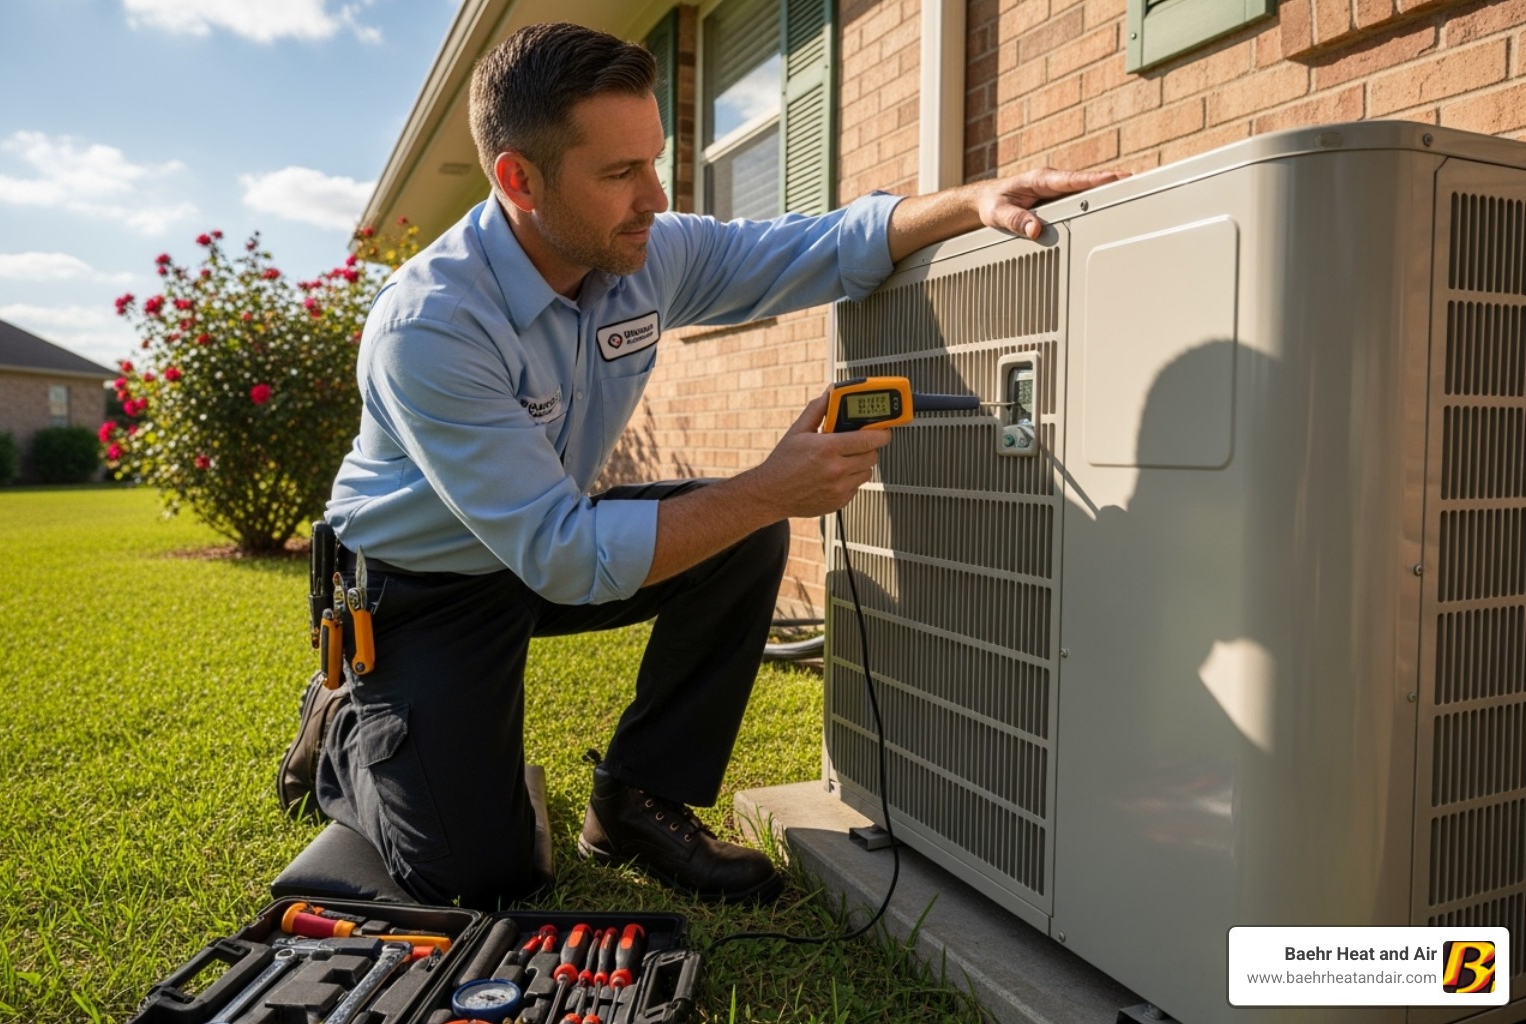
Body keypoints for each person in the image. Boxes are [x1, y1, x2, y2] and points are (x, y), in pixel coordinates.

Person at [277, 21, 1121, 911]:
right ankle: (340, 725)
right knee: (479, 876)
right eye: (618, 174)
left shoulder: (645, 251)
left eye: (655, 160)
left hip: (538, 542)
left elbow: (815, 248)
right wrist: (769, 488)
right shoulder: (434, 326)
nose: (654, 196)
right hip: (422, 589)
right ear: (517, 180)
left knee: (740, 537)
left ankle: (638, 800)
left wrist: (969, 201)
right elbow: (566, 556)